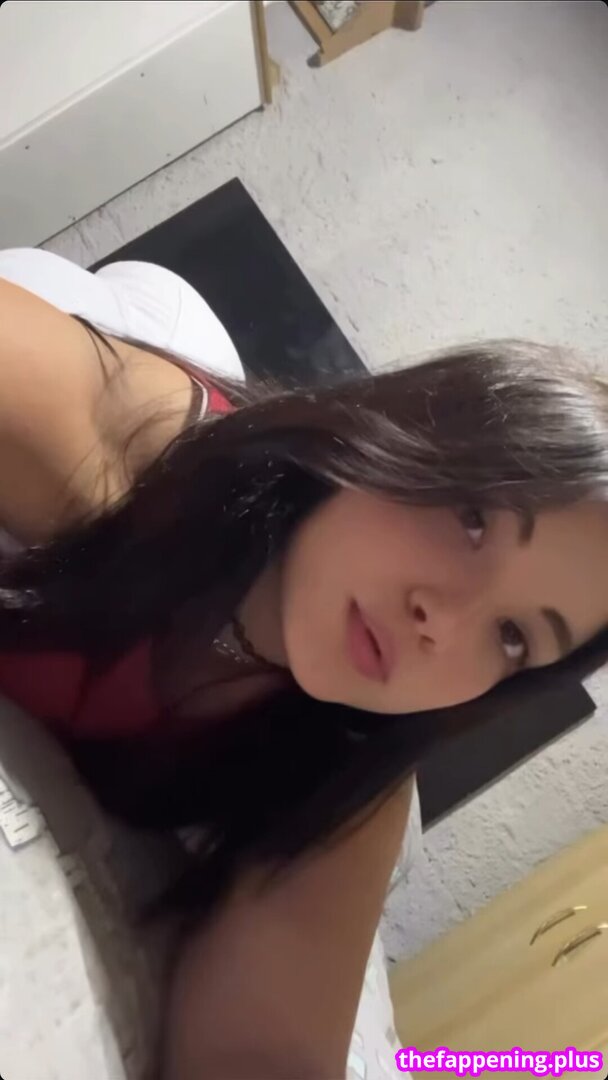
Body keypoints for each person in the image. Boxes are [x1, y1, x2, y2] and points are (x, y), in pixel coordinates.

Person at [0, 248, 607, 1078]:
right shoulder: (120, 441)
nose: (444, 621)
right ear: (409, 428)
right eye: (472, 519)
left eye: (512, 637)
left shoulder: (354, 772)